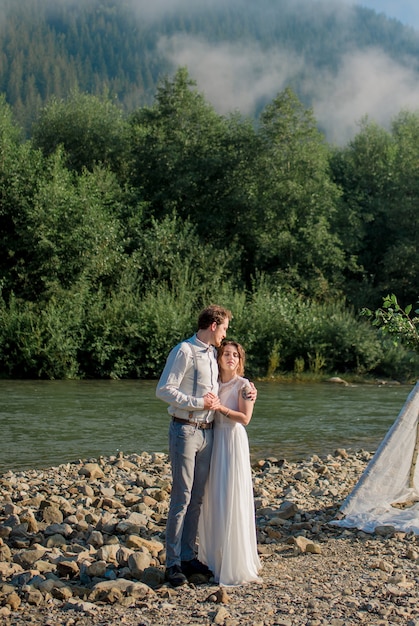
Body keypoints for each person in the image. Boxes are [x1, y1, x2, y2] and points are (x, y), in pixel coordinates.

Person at [156, 304, 231, 587]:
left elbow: (227, 382)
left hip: (208, 432)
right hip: (185, 430)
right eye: (224, 329)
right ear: (213, 326)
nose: (225, 334)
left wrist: (248, 388)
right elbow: (163, 390)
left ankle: (188, 557)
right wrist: (198, 403)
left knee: (197, 498)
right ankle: (172, 563)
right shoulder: (184, 351)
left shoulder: (212, 354)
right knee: (182, 498)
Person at [198, 339, 262, 586]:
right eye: (226, 353)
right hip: (214, 440)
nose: (230, 358)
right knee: (214, 496)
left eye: (235, 355)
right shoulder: (213, 383)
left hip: (232, 441)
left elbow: (245, 418)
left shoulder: (244, 386)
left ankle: (235, 561)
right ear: (219, 358)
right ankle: (215, 557)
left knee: (231, 495)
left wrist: (220, 408)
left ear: (240, 360)